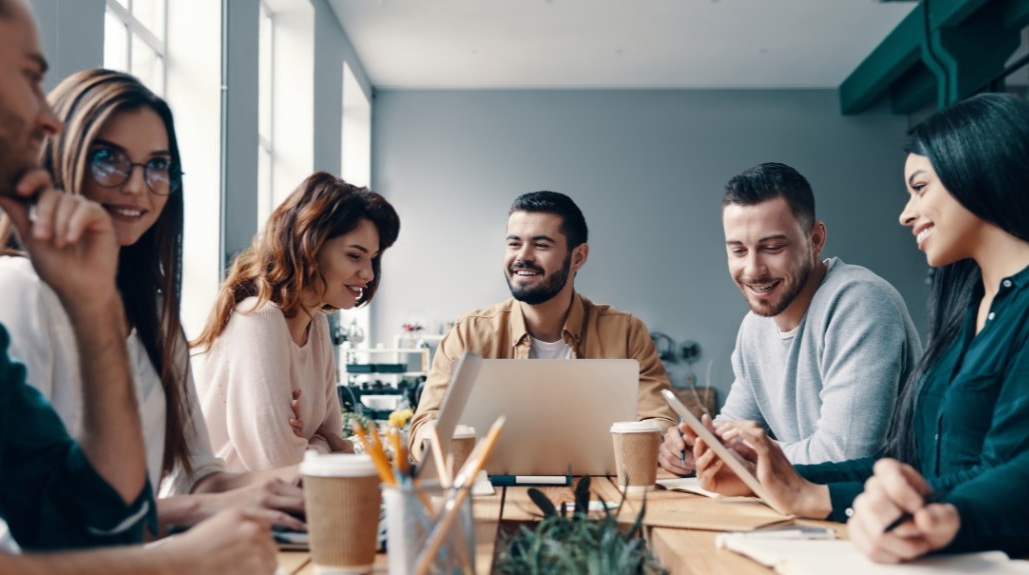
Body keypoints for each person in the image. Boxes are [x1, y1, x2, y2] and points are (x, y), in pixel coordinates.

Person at [0, 0, 275, 575]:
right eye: (27, 77)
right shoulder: (7, 292)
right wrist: (176, 567)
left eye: (158, 166)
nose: (44, 117)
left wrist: (94, 312)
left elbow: (99, 527)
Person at [690, 94, 1029, 562]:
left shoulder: (864, 301)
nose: (905, 213)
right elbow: (914, 466)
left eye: (919, 188)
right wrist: (778, 478)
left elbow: (1004, 475)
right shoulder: (964, 306)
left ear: (978, 172)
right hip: (947, 562)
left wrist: (818, 497)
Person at [0, 69, 306, 537]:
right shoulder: (15, 291)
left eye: (158, 165)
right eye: (108, 158)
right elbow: (8, 528)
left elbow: (198, 478)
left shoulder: (154, 312)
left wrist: (302, 481)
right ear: (61, 158)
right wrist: (186, 514)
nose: (136, 186)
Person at [659, 163, 921, 474]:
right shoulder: (754, 327)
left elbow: (843, 455)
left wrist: (741, 455)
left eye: (772, 248)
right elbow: (731, 428)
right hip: (803, 508)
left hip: (879, 511)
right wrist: (693, 447)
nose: (754, 269)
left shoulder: (860, 303)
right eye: (739, 251)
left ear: (816, 239)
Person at [409, 190, 675, 459]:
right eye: (514, 244)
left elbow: (659, 419)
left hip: (600, 490)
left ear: (578, 257)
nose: (523, 256)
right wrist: (433, 438)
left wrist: (665, 443)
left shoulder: (626, 332)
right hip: (493, 493)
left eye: (541, 244)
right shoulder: (468, 333)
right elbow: (425, 422)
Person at [192, 171, 400, 470]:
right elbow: (281, 465)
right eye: (355, 256)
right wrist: (323, 446)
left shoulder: (316, 326)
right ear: (310, 248)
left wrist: (314, 442)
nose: (368, 273)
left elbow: (331, 434)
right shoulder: (257, 319)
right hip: (233, 509)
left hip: (290, 507)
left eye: (372, 258)